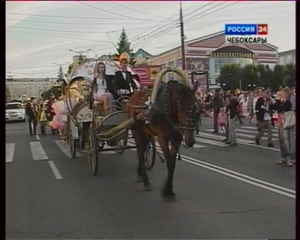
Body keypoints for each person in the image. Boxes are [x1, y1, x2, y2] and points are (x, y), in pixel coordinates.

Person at [273, 88, 295, 166]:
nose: (281, 94)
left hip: (286, 123)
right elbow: (274, 107)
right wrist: (277, 101)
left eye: (282, 93)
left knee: (287, 141)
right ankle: (283, 157)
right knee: (281, 141)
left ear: (286, 94)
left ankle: (289, 158)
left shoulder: (288, 102)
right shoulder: (281, 101)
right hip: (280, 122)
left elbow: (282, 108)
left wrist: (279, 103)